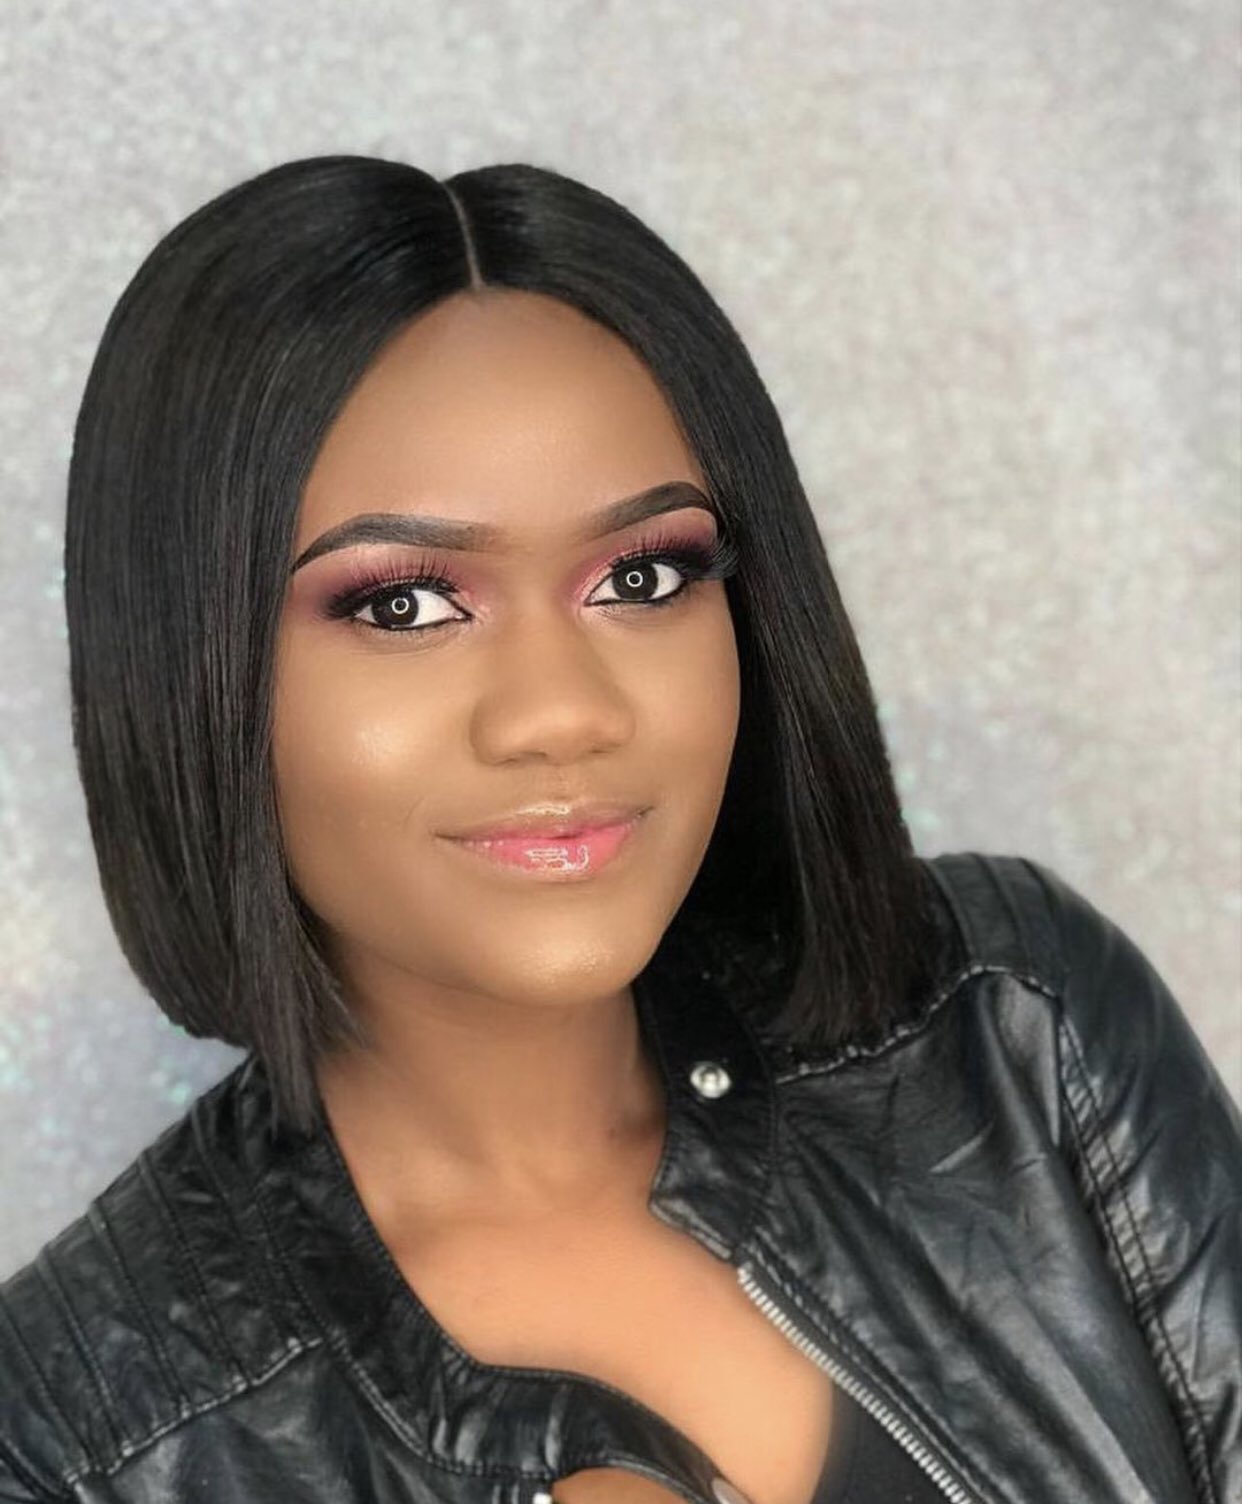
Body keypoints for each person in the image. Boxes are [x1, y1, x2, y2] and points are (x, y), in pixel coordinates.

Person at [0, 156, 1237, 1504]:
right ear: (188, 672)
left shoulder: (1010, 1024)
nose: (563, 713)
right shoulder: (79, 1440)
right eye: (405, 604)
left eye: (641, 577)